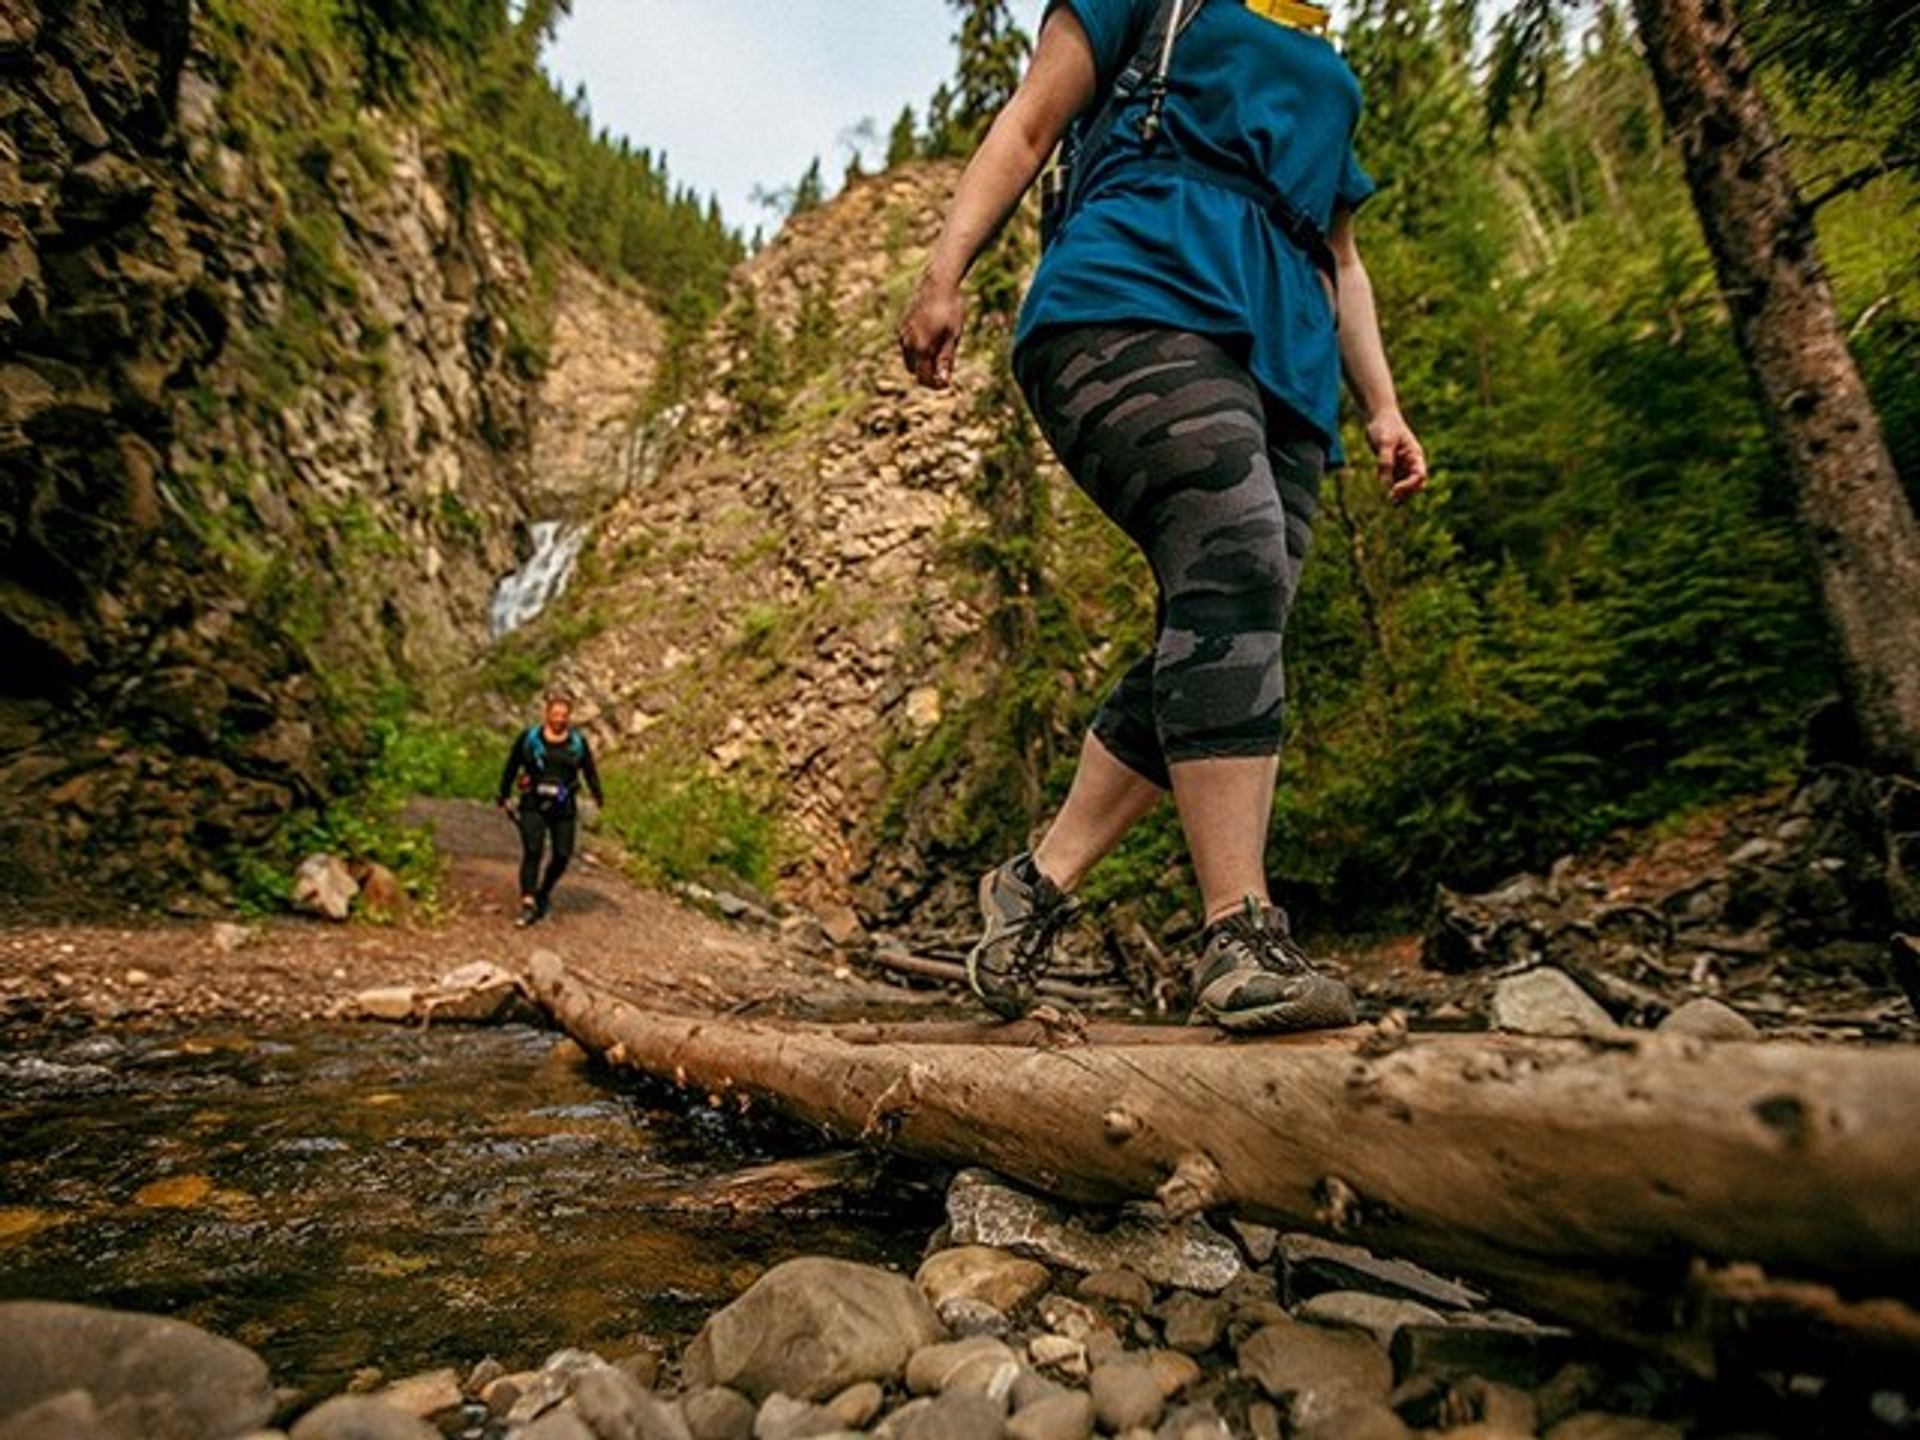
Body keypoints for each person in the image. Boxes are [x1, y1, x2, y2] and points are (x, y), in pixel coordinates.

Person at [897, 0, 1428, 1031]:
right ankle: (1239, 934)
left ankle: (1036, 884)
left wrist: (1384, 407)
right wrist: (942, 273)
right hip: (1131, 291)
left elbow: (1340, 256)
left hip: (1285, 357)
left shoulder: (1326, 64)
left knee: (1235, 615)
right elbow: (1028, 124)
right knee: (1234, 565)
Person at [496, 690, 604, 928]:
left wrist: (598, 796)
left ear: (569, 716)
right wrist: (503, 794)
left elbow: (589, 770)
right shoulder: (529, 739)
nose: (559, 719)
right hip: (533, 803)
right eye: (555, 714)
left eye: (563, 715)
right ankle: (528, 902)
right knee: (533, 849)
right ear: (547, 714)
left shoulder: (577, 743)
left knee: (563, 854)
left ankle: (543, 890)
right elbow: (512, 765)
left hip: (563, 806)